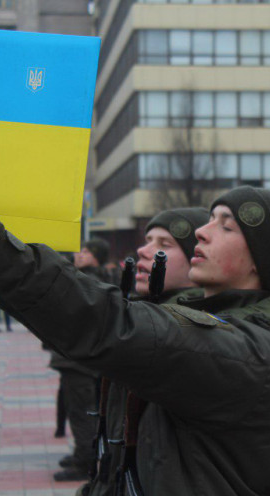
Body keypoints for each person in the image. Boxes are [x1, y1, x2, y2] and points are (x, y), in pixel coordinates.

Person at [0, 172, 270, 496]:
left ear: (260, 260)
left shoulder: (253, 352)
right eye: (209, 219)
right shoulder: (201, 321)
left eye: (226, 226)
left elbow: (113, 326)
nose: (203, 233)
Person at [84, 207, 209, 496]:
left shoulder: (187, 333)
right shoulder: (144, 313)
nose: (143, 250)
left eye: (164, 246)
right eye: (148, 239)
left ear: (200, 258)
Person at [49, 238, 111, 481]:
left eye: (86, 251)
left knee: (82, 412)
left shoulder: (88, 281)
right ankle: (82, 453)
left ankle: (84, 462)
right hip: (76, 357)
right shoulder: (85, 278)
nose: (80, 254)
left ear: (97, 257)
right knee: (79, 410)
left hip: (79, 358)